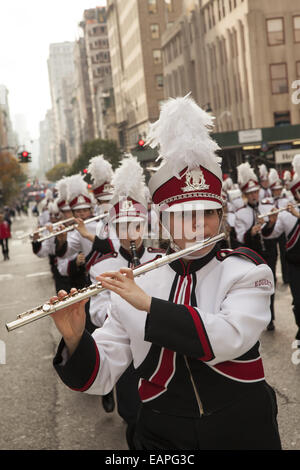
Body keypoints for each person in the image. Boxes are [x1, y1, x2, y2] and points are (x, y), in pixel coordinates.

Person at [50, 95, 281, 450]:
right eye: (183, 216)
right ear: (163, 221)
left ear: (220, 216)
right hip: (161, 436)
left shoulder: (246, 271)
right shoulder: (139, 281)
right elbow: (100, 374)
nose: (198, 227)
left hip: (242, 429)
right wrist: (76, 340)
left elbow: (226, 338)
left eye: (207, 213)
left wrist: (148, 305)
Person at [235, 162, 278, 331]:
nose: (254, 195)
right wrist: (251, 232)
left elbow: (271, 233)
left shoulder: (267, 207)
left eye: (256, 192)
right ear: (245, 194)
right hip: (253, 256)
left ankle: (270, 318)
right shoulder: (240, 213)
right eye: (250, 193)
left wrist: (271, 224)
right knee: (257, 288)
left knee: (270, 285)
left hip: (269, 252)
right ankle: (259, 316)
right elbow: (239, 237)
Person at [262, 155, 300, 343]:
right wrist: (271, 222)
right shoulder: (286, 213)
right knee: (299, 304)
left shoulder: (294, 212)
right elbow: (271, 235)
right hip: (296, 266)